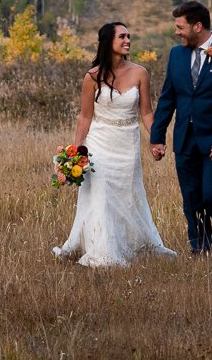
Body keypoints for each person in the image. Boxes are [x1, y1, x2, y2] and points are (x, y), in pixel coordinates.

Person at [53, 20, 176, 268]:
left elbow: (147, 113)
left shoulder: (140, 73)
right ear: (108, 42)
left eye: (129, 36)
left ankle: (132, 243)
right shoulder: (92, 76)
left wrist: (157, 139)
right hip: (99, 143)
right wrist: (75, 153)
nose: (128, 40)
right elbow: (85, 116)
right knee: (100, 195)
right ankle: (104, 250)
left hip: (127, 144)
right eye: (122, 36)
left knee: (128, 195)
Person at [148, 0, 212, 255]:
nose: (176, 32)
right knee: (192, 197)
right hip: (184, 139)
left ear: (198, 26)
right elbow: (168, 98)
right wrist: (157, 137)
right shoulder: (176, 54)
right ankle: (199, 248)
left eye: (180, 27)